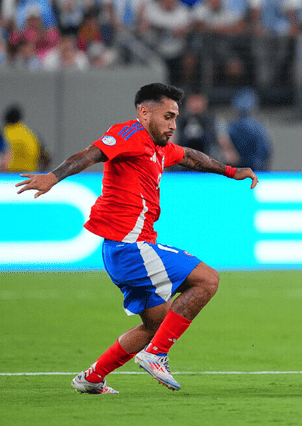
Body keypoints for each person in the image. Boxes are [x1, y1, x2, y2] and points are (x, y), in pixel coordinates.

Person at [15, 83, 259, 394]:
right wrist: (55, 176)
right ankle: (156, 354)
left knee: (155, 325)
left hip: (123, 251)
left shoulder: (158, 147)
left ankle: (91, 378)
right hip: (130, 247)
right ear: (144, 113)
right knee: (207, 280)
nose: (173, 125)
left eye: (175, 119)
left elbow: (190, 157)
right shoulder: (130, 135)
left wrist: (229, 171)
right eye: (167, 117)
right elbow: (91, 153)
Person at [226, 88, 273, 171]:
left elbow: (265, 151)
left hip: (256, 168)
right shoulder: (232, 128)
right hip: (238, 169)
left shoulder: (258, 128)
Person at [3, 103, 41, 172]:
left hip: (11, 173)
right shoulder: (29, 132)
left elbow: (5, 158)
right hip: (30, 172)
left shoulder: (7, 132)